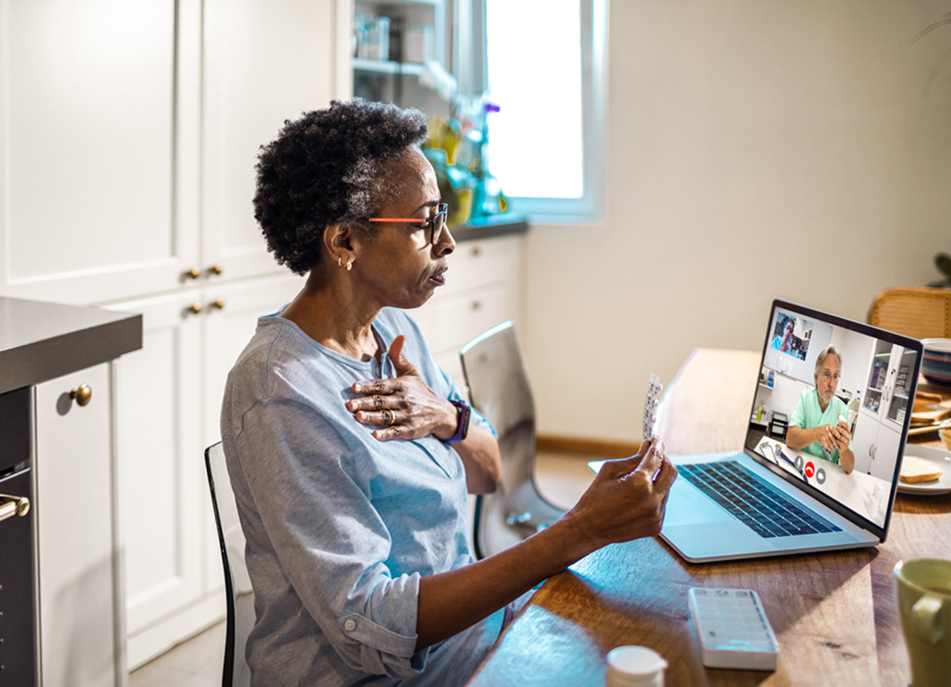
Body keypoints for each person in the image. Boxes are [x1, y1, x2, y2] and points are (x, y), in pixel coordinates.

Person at [220, 99, 677, 687]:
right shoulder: (280, 390)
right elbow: (368, 620)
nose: (448, 241)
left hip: (470, 638)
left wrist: (447, 416)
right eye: (426, 220)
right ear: (344, 243)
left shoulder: (393, 331)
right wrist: (579, 531)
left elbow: (487, 475)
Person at [785, 345, 855, 473]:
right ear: (817, 377)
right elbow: (790, 439)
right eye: (827, 375)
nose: (831, 384)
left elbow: (849, 468)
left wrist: (844, 449)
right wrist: (816, 434)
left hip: (825, 474)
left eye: (835, 376)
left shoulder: (842, 410)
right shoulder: (806, 397)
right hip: (801, 466)